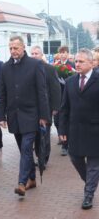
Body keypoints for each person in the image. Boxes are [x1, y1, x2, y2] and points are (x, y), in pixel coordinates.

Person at [0, 36, 49, 197]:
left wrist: (43, 115)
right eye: (11, 48)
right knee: (23, 150)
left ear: (23, 47)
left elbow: (42, 92)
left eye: (16, 48)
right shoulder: (5, 68)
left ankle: (21, 183)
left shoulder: (35, 65)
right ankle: (32, 179)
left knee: (27, 148)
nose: (13, 51)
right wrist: (1, 116)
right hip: (14, 115)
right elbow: (3, 93)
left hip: (31, 115)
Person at [59, 48, 99, 210]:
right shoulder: (70, 82)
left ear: (91, 63)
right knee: (75, 158)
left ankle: (88, 194)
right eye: (76, 61)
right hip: (74, 130)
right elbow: (64, 109)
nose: (77, 64)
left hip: (95, 130)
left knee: (93, 165)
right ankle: (91, 180)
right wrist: (62, 130)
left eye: (81, 61)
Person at [31, 46, 61, 166]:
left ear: (41, 54)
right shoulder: (29, 68)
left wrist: (55, 107)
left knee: (44, 133)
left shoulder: (49, 68)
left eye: (36, 53)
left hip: (46, 106)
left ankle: (43, 158)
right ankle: (39, 155)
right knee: (35, 135)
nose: (34, 55)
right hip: (32, 107)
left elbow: (55, 88)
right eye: (32, 53)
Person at [54, 45, 75, 156]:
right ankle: (61, 136)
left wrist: (67, 81)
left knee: (66, 120)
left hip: (68, 96)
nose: (62, 54)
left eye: (64, 52)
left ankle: (65, 145)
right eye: (61, 52)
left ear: (67, 53)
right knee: (57, 121)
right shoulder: (55, 65)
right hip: (58, 96)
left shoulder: (72, 65)